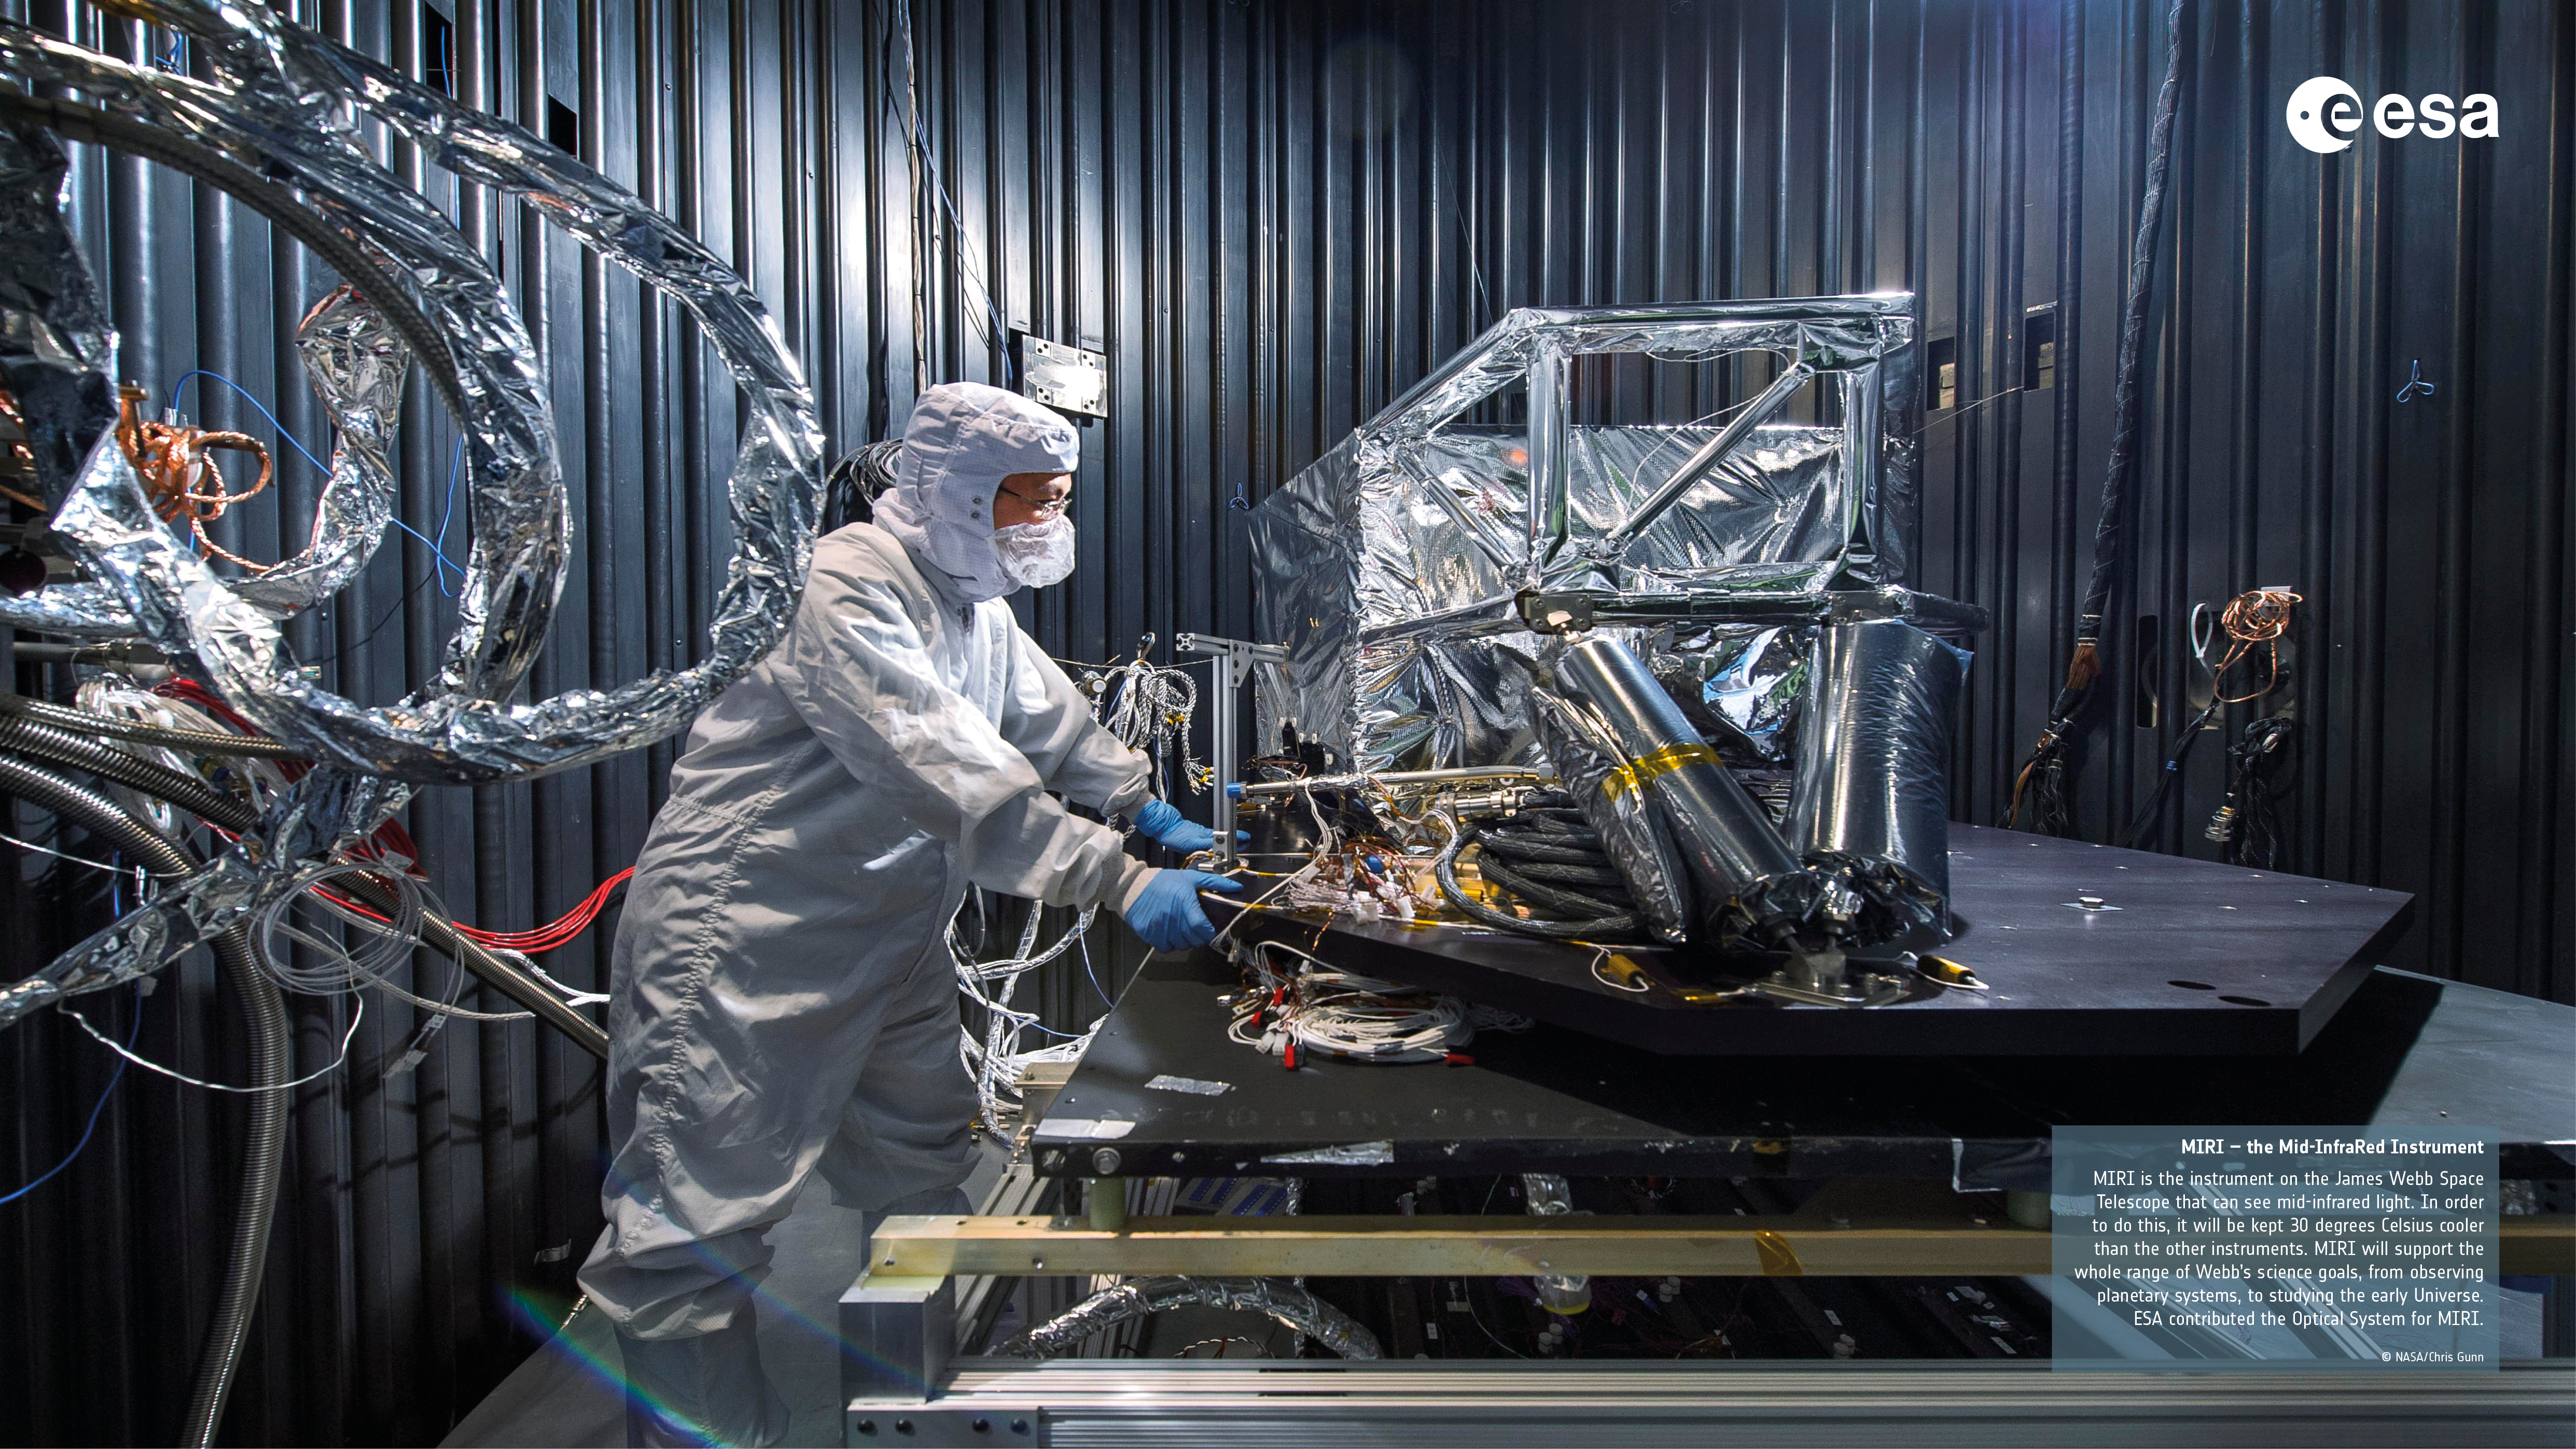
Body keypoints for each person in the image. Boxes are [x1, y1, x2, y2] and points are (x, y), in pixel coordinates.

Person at [579, 381, 1238, 1446]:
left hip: (887, 932)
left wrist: (1153, 811)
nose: (1051, 523)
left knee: (919, 1166)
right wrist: (1116, 875)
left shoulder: (972, 605)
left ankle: (912, 1404)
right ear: (964, 492)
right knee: (691, 1227)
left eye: (1064, 499)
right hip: (753, 931)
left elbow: (1052, 727)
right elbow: (946, 767)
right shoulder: (842, 584)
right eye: (1034, 499)